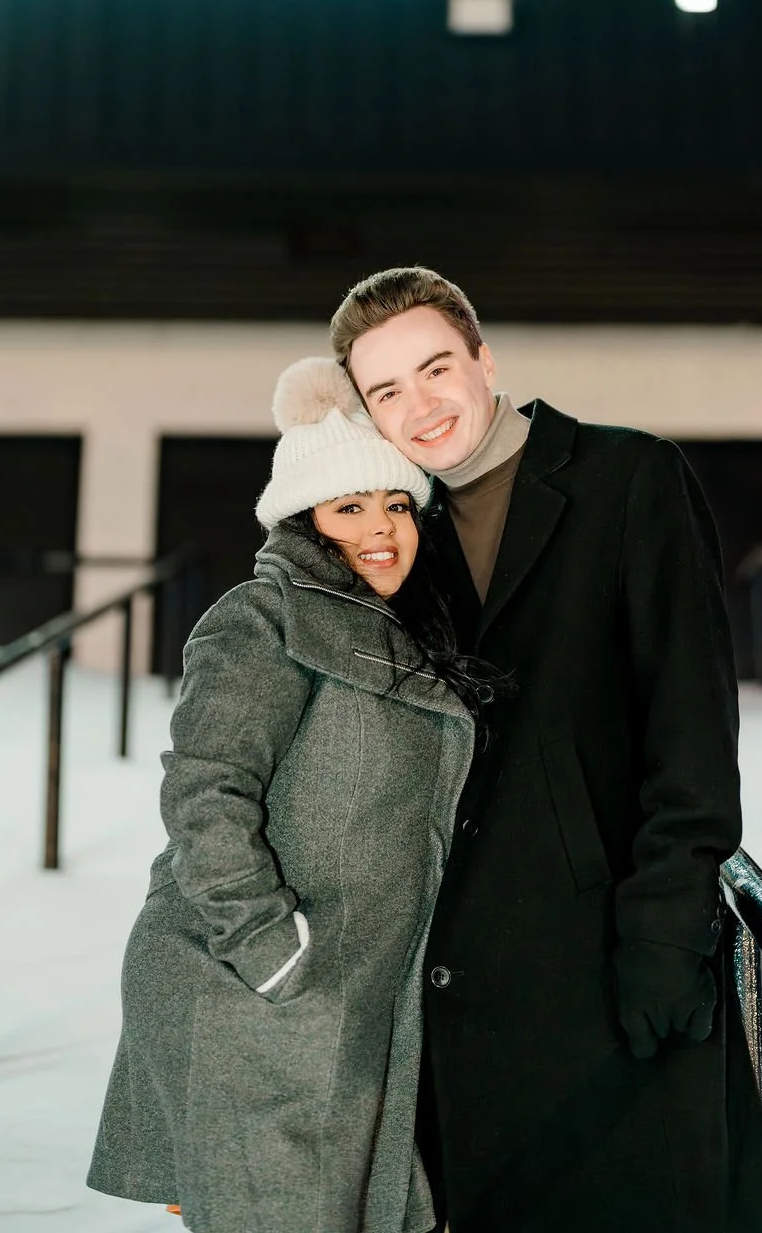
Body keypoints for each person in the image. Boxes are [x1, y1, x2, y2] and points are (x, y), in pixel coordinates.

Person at [329, 268, 762, 1233]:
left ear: (484, 360)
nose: (420, 406)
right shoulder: (393, 537)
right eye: (386, 390)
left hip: (609, 963)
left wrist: (665, 933)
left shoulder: (629, 477)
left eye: (436, 368)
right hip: (458, 994)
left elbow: (691, 727)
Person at [87, 356, 493, 1233]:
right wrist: (270, 949)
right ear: (306, 522)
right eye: (350, 508)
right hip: (256, 993)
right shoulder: (263, 616)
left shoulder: (408, 633)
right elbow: (206, 790)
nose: (381, 529)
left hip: (351, 1001)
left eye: (397, 505)